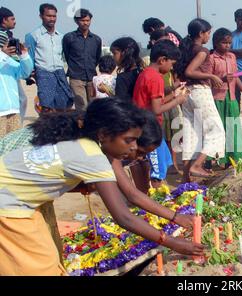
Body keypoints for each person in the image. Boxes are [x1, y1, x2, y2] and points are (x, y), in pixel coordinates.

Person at [0, 99, 204, 276]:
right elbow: (123, 216)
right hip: (8, 205)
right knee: (40, 267)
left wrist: (76, 187)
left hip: (16, 198)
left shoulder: (85, 140)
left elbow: (44, 174)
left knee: (48, 259)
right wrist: (170, 241)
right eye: (129, 140)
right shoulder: (95, 157)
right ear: (105, 134)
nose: (133, 148)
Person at [133, 40, 189, 188]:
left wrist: (175, 96)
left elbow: (155, 102)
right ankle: (154, 198)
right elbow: (157, 109)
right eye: (171, 64)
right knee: (157, 169)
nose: (171, 68)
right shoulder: (156, 78)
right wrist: (178, 100)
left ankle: (156, 194)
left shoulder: (146, 73)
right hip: (148, 128)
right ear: (162, 60)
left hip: (148, 125)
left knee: (163, 161)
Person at [175, 18, 226, 182]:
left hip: (186, 93)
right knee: (216, 130)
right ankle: (198, 165)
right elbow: (190, 71)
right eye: (208, 32)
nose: (209, 36)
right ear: (201, 33)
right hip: (199, 91)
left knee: (192, 134)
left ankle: (186, 176)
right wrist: (211, 75)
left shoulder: (186, 48)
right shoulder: (202, 50)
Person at [210, 28, 242, 167]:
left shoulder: (232, 57)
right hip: (218, 98)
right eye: (224, 43)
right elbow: (207, 79)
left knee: (234, 128)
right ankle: (219, 159)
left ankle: (234, 158)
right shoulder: (211, 58)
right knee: (220, 129)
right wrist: (222, 78)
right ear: (216, 43)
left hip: (231, 97)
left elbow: (235, 78)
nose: (227, 46)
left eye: (229, 43)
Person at [25, 3, 74, 113]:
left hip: (60, 73)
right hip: (43, 73)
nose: (52, 19)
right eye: (48, 16)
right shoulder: (33, 36)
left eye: (54, 16)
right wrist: (30, 76)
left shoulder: (61, 37)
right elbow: (30, 57)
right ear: (41, 16)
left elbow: (65, 56)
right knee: (46, 107)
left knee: (65, 104)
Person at [63, 8, 102, 110]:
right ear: (76, 21)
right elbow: (67, 55)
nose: (85, 23)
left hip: (91, 77)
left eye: (87, 20)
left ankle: (91, 126)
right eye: (82, 20)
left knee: (93, 106)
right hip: (76, 77)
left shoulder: (96, 39)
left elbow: (97, 57)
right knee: (81, 106)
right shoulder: (69, 38)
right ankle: (82, 125)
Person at [0, 32, 33, 137]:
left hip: (13, 109)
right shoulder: (4, 58)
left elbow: (25, 72)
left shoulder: (8, 60)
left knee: (13, 145)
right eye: (5, 44)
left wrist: (24, 55)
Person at [0, 6, 28, 122]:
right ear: (4, 20)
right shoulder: (2, 35)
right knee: (21, 99)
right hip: (6, 72)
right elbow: (7, 54)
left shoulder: (7, 34)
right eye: (12, 19)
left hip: (11, 70)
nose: (15, 21)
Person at [110, 37, 144, 103]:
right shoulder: (141, 72)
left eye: (114, 53)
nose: (113, 57)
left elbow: (121, 104)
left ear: (124, 53)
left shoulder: (122, 78)